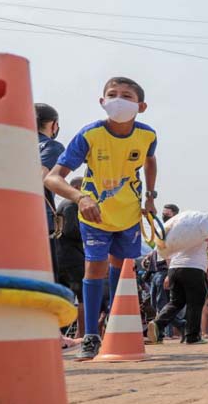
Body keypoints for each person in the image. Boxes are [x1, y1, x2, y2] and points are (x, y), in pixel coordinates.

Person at [44, 76, 158, 361]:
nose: (119, 100)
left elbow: (150, 159)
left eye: (127, 96)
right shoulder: (90, 135)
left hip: (129, 213)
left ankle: (117, 331)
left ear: (141, 106)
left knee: (122, 271)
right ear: (102, 101)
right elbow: (53, 178)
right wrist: (80, 198)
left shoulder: (147, 135)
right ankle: (91, 336)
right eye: (113, 94)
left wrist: (150, 196)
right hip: (94, 214)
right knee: (94, 269)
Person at [146, 211, 208, 345]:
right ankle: (192, 336)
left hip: (174, 269)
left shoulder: (179, 234)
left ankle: (157, 323)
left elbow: (166, 253)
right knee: (195, 302)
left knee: (176, 302)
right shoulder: (200, 231)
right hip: (193, 268)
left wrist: (168, 275)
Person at [35, 103, 65, 276]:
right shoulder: (51, 146)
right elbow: (39, 178)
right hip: (39, 221)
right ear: (53, 125)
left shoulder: (10, 145)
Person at [55, 177, 86, 337]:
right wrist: (91, 233)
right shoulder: (71, 205)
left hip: (63, 257)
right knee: (83, 297)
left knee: (64, 298)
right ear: (76, 187)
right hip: (72, 258)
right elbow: (71, 231)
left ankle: (59, 335)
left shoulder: (64, 204)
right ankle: (81, 334)